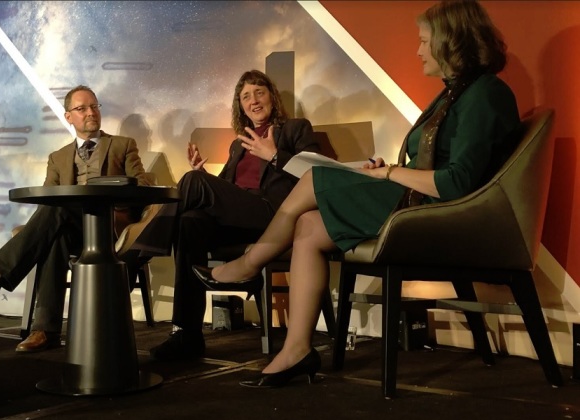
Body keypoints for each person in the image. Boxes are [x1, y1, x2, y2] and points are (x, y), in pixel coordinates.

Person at [194, 0, 521, 388]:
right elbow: (440, 165)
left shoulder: (485, 94)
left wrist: (392, 172)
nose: (417, 51)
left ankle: (250, 264)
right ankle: (297, 348)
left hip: (441, 211)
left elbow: (458, 183)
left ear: (451, 42)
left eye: (423, 41)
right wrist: (389, 172)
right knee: (310, 225)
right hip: (419, 200)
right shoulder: (456, 93)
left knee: (314, 179)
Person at [131, 70, 321, 361]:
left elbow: (315, 175)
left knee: (193, 185)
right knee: (189, 220)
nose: (253, 101)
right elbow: (225, 193)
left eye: (259, 92)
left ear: (272, 96)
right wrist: (202, 175)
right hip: (242, 217)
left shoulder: (296, 128)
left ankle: (139, 251)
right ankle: (187, 335)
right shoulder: (238, 143)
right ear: (240, 106)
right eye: (246, 96)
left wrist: (273, 155)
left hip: (277, 214)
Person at [0, 85, 151, 353]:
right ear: (68, 117)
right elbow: (47, 201)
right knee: (56, 231)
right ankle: (44, 330)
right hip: (73, 227)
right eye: (82, 108)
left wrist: (119, 187)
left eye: (94, 106)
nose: (91, 112)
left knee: (59, 209)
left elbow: (143, 184)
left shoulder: (122, 145)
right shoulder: (58, 158)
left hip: (109, 226)